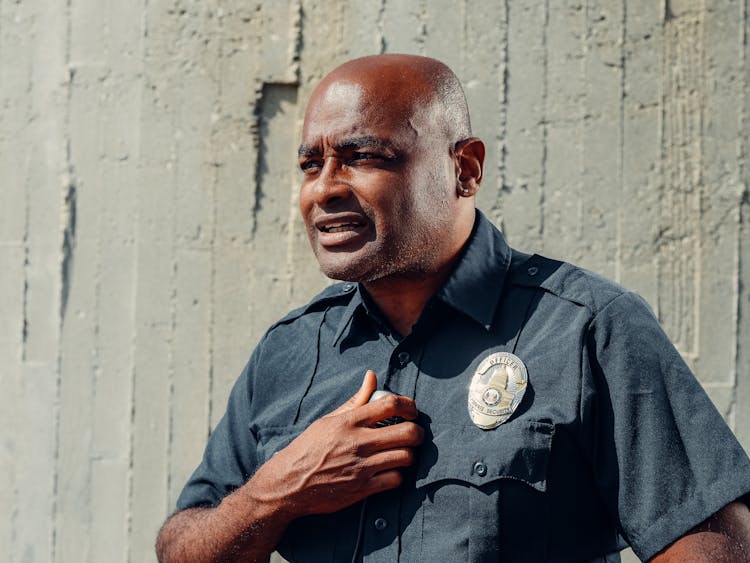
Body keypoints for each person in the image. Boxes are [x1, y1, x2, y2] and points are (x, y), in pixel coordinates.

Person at [156, 54, 750, 562]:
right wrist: (279, 491)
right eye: (311, 165)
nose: (325, 188)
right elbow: (181, 547)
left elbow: (713, 543)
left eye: (363, 157)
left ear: (464, 169)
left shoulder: (587, 328)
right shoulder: (289, 351)